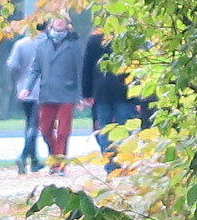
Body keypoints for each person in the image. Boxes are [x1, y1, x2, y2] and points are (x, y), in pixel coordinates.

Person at [21, 13, 91, 176]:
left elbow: (80, 72)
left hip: (68, 93)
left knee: (63, 131)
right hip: (47, 93)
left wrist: (81, 96)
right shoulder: (43, 45)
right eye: (56, 19)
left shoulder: (75, 46)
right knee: (45, 130)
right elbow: (35, 69)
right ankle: (54, 156)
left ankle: (60, 164)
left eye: (63, 20)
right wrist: (27, 88)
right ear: (51, 23)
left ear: (68, 24)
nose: (59, 22)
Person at [82, 27, 130, 174]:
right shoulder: (127, 36)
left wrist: (87, 93)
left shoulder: (95, 38)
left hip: (102, 90)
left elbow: (87, 66)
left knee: (105, 128)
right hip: (123, 90)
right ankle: (121, 162)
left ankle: (111, 163)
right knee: (124, 127)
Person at [6, 17, 47, 174]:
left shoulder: (21, 44)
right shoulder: (48, 44)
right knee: (35, 125)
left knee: (29, 124)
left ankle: (34, 160)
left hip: (24, 89)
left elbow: (12, 65)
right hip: (42, 89)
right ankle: (23, 156)